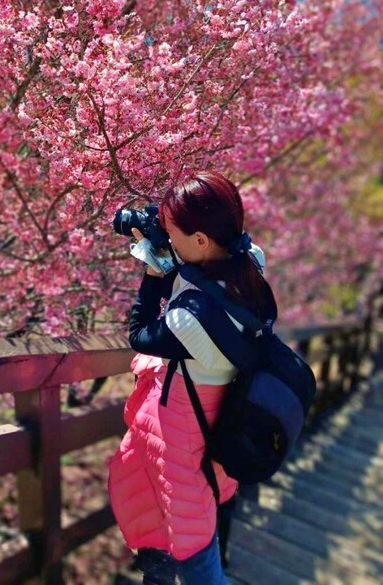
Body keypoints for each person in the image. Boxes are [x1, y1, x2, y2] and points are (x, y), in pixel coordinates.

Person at [108, 171, 278, 585]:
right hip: (222, 419)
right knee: (201, 517)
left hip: (183, 436)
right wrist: (167, 235)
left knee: (195, 551)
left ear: (201, 241)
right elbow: (202, 273)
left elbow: (140, 335)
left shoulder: (189, 321)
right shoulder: (250, 262)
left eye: (174, 232)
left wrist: (153, 272)